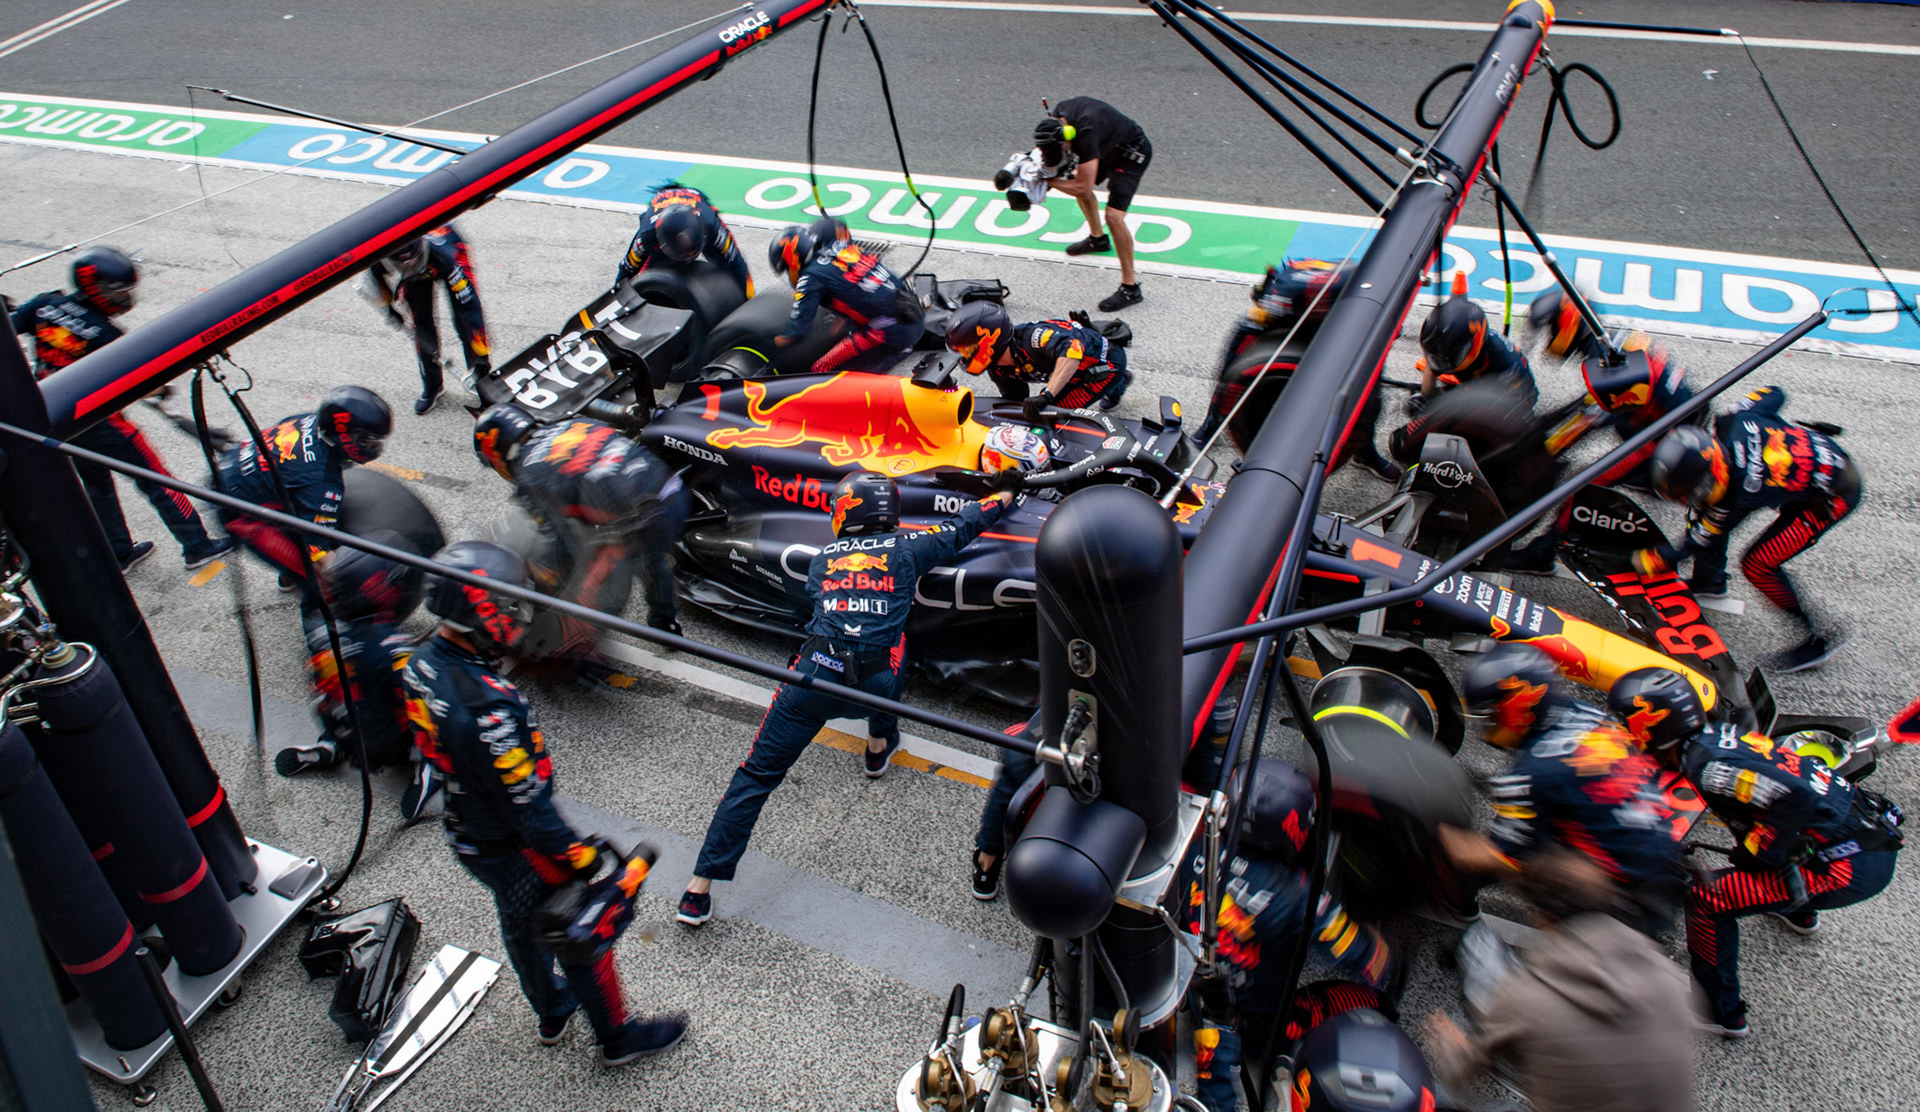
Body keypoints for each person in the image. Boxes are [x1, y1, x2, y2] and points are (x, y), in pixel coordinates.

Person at [678, 472, 1015, 926]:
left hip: (814, 681)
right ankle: (878, 747)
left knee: (755, 776)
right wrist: (1011, 490)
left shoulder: (821, 561)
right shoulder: (910, 547)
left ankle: (698, 888)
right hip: (876, 685)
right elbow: (968, 523)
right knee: (896, 645)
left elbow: (817, 603)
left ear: (847, 512)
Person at [402, 541, 687, 1064]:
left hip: (467, 832)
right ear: (477, 613)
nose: (518, 615)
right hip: (518, 843)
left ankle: (552, 1009)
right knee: (578, 927)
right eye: (508, 607)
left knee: (518, 921)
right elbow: (528, 808)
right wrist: (578, 856)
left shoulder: (420, 663)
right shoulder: (489, 706)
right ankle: (616, 1037)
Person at [1608, 667, 1903, 1037]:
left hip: (1848, 866)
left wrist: (1757, 854)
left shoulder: (1710, 768)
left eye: (1624, 722)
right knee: (1755, 839)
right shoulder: (1721, 737)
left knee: (1706, 899)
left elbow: (1793, 803)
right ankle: (1799, 912)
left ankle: (1720, 1011)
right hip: (1863, 837)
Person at [9, 247, 233, 572]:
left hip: (56, 418)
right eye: (118, 291)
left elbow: (9, 326)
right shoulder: (105, 334)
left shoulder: (44, 304)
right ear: (94, 286)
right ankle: (198, 545)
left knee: (98, 484)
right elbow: (145, 385)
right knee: (156, 479)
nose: (124, 298)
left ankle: (119, 552)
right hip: (99, 421)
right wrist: (164, 388)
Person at [1424, 847, 1699, 1112]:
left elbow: (1459, 1071)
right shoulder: (1662, 971)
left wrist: (1449, 1041)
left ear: (1544, 918)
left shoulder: (1525, 1000)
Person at [1186, 765, 1395, 1112]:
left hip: (1200, 1000)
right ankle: (1288, 1059)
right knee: (1376, 1001)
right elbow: (1366, 958)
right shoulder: (1299, 897)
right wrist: (1380, 947)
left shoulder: (1194, 845)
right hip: (1263, 1023)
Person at [1438, 645, 1688, 934]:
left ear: (1514, 707)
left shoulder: (1533, 774)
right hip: (1661, 850)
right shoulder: (1588, 713)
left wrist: (1435, 836)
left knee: (1528, 872)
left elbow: (1498, 857)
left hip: (1626, 894)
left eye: (1491, 715)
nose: (1489, 727)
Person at [1636, 386, 1861, 672]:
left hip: (1835, 496)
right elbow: (1777, 393)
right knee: (1707, 514)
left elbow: (1696, 541)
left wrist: (1656, 559)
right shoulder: (1734, 419)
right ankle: (1710, 582)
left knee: (1758, 564)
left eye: (1687, 492)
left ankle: (1818, 639)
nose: (1684, 500)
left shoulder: (1738, 493)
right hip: (1825, 460)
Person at [472, 404, 687, 648]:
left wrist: (543, 577)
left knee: (600, 586)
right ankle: (665, 622)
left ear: (497, 452)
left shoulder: (530, 476)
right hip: (672, 488)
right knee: (651, 560)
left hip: (648, 518)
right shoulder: (573, 423)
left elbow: (564, 544)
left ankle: (586, 656)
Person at [274, 532, 446, 820]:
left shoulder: (323, 633)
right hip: (388, 745)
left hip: (345, 731)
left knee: (352, 689)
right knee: (441, 700)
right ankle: (428, 770)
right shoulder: (392, 648)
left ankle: (330, 745)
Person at [1508, 334, 1698, 575]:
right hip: (1662, 416)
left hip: (1665, 436)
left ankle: (1542, 553)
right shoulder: (1611, 343)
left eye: (1551, 329)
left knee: (1586, 484)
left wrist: (1541, 452)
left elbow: (1591, 419)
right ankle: (1647, 480)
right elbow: (1590, 407)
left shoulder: (1609, 359)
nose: (1548, 338)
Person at [215, 386, 392, 595]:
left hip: (245, 474)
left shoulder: (308, 419)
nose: (373, 447)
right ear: (346, 435)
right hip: (242, 512)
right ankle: (315, 613)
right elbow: (317, 551)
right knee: (318, 582)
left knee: (313, 516)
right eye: (367, 441)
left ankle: (289, 571)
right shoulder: (322, 481)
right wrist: (352, 586)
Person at [1031, 97, 1153, 312]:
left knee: (1113, 217)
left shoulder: (1087, 135)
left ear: (1067, 137)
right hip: (1105, 145)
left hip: (1131, 152)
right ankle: (1098, 239)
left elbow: (1083, 188)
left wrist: (1047, 181)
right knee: (1076, 179)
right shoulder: (1059, 117)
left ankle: (1130, 288)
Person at [767, 225, 924, 375]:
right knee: (843, 325)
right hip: (914, 314)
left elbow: (797, 331)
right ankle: (900, 348)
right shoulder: (841, 247)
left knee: (821, 369)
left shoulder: (810, 278)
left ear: (791, 259)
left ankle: (887, 362)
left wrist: (772, 346)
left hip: (891, 332)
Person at [368, 225, 491, 414]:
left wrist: (481, 354)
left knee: (463, 322)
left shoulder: (446, 258)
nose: (409, 267)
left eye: (412, 262)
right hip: (418, 271)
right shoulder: (378, 258)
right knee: (422, 326)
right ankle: (432, 386)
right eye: (403, 264)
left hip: (448, 256)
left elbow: (471, 308)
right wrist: (389, 308)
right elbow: (379, 282)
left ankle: (481, 380)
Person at [944, 301, 1130, 418]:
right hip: (1072, 367)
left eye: (967, 350)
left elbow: (1073, 350)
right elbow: (1015, 400)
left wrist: (1046, 396)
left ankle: (1118, 382)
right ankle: (1121, 381)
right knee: (1028, 412)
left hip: (1106, 363)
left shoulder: (1036, 339)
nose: (965, 357)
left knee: (1051, 414)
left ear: (990, 338)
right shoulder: (998, 368)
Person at [614, 184, 753, 298]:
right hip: (662, 215)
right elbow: (627, 268)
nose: (687, 259)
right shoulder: (646, 236)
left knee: (727, 265)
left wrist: (749, 300)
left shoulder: (711, 226)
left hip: (696, 206)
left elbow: (737, 264)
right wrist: (617, 299)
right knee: (647, 278)